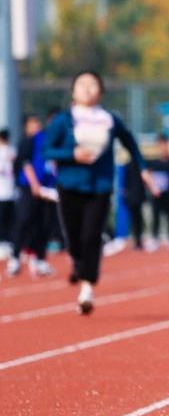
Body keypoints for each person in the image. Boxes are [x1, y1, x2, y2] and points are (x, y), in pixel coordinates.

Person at [42, 71, 159, 314]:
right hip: (69, 185)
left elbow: (130, 143)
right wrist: (72, 155)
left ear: (101, 91)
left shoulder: (109, 119)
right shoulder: (64, 120)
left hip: (100, 187)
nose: (87, 89)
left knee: (92, 236)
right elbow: (47, 150)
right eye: (81, 84)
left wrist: (143, 170)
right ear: (73, 91)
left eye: (92, 84)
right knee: (73, 238)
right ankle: (77, 262)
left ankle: (87, 288)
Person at [11, 113, 58, 278]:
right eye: (32, 123)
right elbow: (25, 164)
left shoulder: (51, 140)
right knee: (24, 221)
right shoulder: (28, 142)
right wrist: (34, 185)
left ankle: (40, 259)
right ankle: (15, 258)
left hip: (48, 190)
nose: (36, 125)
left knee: (44, 225)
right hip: (29, 189)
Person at [147, 134, 169, 250]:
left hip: (168, 194)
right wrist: (153, 187)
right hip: (156, 195)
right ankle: (155, 239)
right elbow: (148, 175)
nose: (163, 147)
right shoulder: (153, 162)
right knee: (155, 217)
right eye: (161, 144)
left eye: (165, 144)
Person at [120, 152, 148, 252]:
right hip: (134, 197)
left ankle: (138, 241)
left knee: (137, 220)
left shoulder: (140, 165)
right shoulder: (135, 165)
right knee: (136, 220)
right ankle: (137, 241)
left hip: (136, 196)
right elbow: (125, 182)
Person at [0, 129, 16, 266]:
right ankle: (7, 244)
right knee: (8, 220)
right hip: (9, 190)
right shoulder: (12, 150)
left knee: (4, 220)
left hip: (5, 191)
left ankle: (5, 244)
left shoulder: (7, 151)